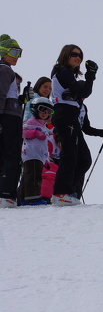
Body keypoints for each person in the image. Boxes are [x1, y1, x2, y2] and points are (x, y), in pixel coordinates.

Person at [50, 44, 98, 206]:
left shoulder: (67, 74)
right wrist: (90, 76)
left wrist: (76, 93)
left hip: (71, 116)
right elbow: (84, 92)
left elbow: (80, 93)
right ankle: (61, 193)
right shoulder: (62, 71)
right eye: (74, 54)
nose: (78, 58)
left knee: (84, 159)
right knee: (70, 155)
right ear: (65, 55)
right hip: (64, 114)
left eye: (80, 55)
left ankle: (68, 192)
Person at [0, 34, 24, 207]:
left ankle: (5, 194)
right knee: (11, 155)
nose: (17, 57)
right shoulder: (5, 70)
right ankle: (6, 194)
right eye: (14, 52)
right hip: (9, 117)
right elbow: (0, 95)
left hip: (9, 115)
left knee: (6, 154)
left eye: (19, 53)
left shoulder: (6, 70)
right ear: (4, 52)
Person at [19, 97, 54, 205]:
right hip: (31, 154)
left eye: (48, 112)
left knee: (29, 175)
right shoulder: (32, 121)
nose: (44, 114)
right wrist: (35, 133)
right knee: (33, 176)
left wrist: (45, 159)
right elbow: (23, 132)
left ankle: (22, 198)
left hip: (38, 155)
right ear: (35, 109)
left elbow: (43, 145)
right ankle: (32, 198)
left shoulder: (42, 125)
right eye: (42, 110)